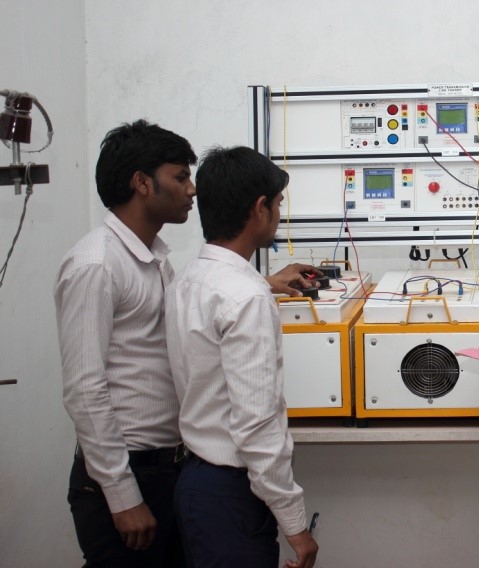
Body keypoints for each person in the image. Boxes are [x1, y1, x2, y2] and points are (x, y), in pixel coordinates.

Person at [55, 120, 320, 567]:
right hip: (130, 472)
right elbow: (84, 389)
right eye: (180, 177)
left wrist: (256, 283)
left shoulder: (158, 261)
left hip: (175, 468)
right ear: (142, 183)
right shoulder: (96, 265)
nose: (192, 190)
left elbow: (201, 313)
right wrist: (122, 495)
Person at [165, 146, 318, 568]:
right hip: (232, 492)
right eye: (278, 204)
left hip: (196, 482)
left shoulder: (186, 280)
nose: (279, 214)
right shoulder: (247, 297)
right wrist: (295, 525)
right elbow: (256, 425)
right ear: (259, 208)